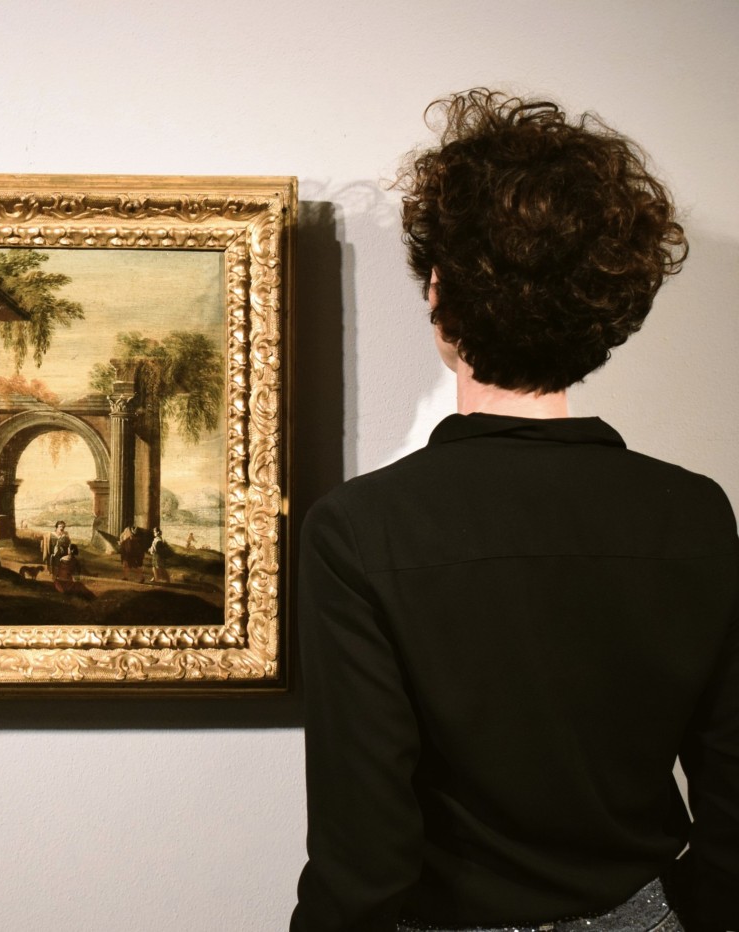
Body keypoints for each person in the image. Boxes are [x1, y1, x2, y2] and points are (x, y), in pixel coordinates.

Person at [292, 90, 737, 932]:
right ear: (604, 308)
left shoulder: (358, 530)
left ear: (439, 294)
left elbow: (364, 861)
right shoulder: (696, 514)